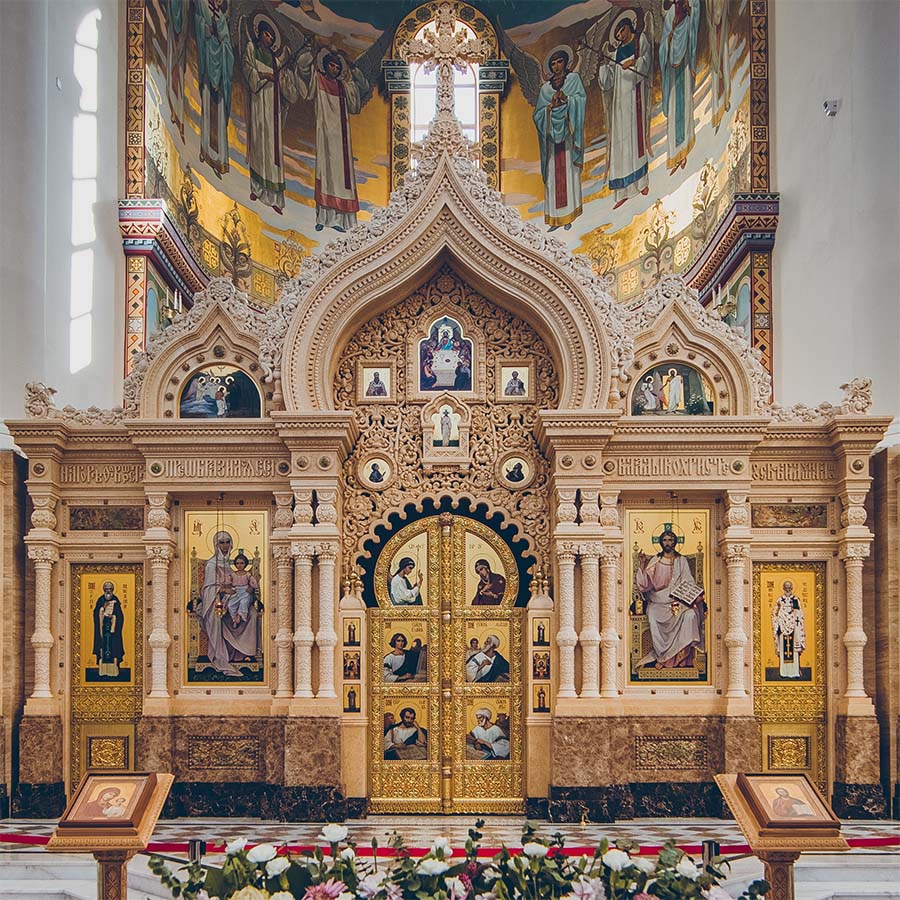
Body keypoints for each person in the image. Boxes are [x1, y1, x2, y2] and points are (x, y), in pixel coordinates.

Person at [298, 51, 366, 232]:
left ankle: (342, 221)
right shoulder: (317, 80)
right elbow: (303, 73)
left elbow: (355, 105)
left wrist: (355, 73)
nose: (334, 69)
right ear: (325, 65)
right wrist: (308, 53)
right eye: (331, 65)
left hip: (342, 140)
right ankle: (323, 218)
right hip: (325, 136)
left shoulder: (345, 87)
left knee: (342, 178)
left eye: (337, 67)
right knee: (326, 173)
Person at [241, 16, 302, 213]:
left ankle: (275, 197)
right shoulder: (252, 49)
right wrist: (264, 76)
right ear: (259, 33)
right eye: (267, 34)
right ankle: (257, 189)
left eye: (271, 36)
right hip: (259, 106)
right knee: (259, 145)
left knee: (273, 151)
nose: (269, 38)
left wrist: (287, 62)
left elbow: (284, 80)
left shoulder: (276, 61)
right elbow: (248, 70)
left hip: (273, 111)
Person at [598, 14, 653, 208]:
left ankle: (642, 183)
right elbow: (607, 83)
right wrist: (604, 67)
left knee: (635, 141)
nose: (619, 35)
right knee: (621, 146)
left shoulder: (641, 41)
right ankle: (622, 191)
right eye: (617, 32)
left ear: (629, 27)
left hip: (634, 100)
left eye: (621, 30)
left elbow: (646, 64)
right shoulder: (616, 53)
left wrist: (634, 64)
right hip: (619, 105)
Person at [634, 528, 705, 669]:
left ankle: (681, 658)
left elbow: (689, 582)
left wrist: (690, 595)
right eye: (665, 540)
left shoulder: (681, 561)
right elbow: (644, 585)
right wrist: (642, 565)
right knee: (653, 615)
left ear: (675, 542)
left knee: (691, 615)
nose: (668, 543)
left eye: (670, 540)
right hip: (658, 601)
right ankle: (662, 656)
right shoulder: (656, 560)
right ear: (661, 542)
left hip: (678, 601)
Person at [533, 48, 586, 230]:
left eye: (559, 62)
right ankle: (555, 218)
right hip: (551, 142)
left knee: (569, 173)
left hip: (568, 136)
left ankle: (570, 215)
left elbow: (581, 100)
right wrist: (549, 109)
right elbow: (538, 115)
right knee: (552, 177)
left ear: (566, 62)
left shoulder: (573, 80)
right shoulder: (545, 89)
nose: (556, 66)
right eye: (553, 63)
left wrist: (568, 100)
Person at [194, 531, 260, 676]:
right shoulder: (211, 564)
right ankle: (223, 656)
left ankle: (243, 653)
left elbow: (239, 581)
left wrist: (247, 588)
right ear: (216, 545)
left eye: (227, 542)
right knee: (217, 617)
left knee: (253, 614)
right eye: (221, 542)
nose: (225, 546)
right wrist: (223, 590)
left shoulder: (231, 564)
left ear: (231, 544)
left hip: (234, 597)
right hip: (216, 601)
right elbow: (207, 588)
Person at [194, 0, 234, 177]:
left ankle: (220, 159)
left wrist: (221, 41)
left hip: (221, 72)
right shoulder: (202, 7)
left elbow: (228, 48)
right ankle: (205, 150)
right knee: (207, 112)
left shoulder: (222, 20)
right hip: (208, 69)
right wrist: (206, 31)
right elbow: (197, 24)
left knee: (218, 118)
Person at [660, 0, 700, 174]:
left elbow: (694, 25)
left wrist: (690, 14)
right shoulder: (670, 14)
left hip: (684, 67)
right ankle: (675, 153)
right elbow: (663, 45)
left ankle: (685, 148)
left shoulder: (691, 5)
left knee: (685, 108)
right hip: (672, 71)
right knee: (675, 107)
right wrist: (670, 40)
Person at [164, 0, 189, 141]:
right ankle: (174, 110)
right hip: (174, 40)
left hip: (181, 43)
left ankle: (178, 114)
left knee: (179, 76)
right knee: (173, 74)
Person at [705, 0, 731, 131]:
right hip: (715, 37)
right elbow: (714, 18)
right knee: (717, 75)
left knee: (723, 70)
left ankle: (724, 103)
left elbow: (719, 16)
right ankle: (717, 111)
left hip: (721, 37)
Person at [772, 581, 806, 678]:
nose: (788, 589)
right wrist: (778, 620)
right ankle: (784, 672)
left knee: (794, 649)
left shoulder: (795, 600)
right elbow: (774, 613)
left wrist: (795, 620)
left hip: (793, 628)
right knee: (784, 649)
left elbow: (799, 613)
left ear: (792, 588)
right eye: (786, 587)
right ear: (783, 588)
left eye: (789, 587)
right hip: (782, 628)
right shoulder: (780, 600)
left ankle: (794, 672)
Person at [92, 582, 125, 678]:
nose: (108, 591)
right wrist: (102, 609)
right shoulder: (100, 600)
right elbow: (95, 614)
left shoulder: (116, 601)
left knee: (114, 648)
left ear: (113, 590)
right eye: (106, 589)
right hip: (102, 629)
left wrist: (113, 617)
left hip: (113, 631)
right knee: (102, 648)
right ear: (103, 590)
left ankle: (114, 670)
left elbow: (120, 616)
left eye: (110, 589)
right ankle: (102, 671)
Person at [228, 552, 258, 626]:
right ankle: (234, 618)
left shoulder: (247, 574)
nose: (239, 565)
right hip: (236, 592)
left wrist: (251, 587)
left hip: (245, 591)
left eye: (242, 563)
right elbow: (228, 583)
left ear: (245, 564)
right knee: (230, 605)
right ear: (235, 564)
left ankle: (240, 616)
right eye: (237, 563)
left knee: (244, 602)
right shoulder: (233, 574)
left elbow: (253, 583)